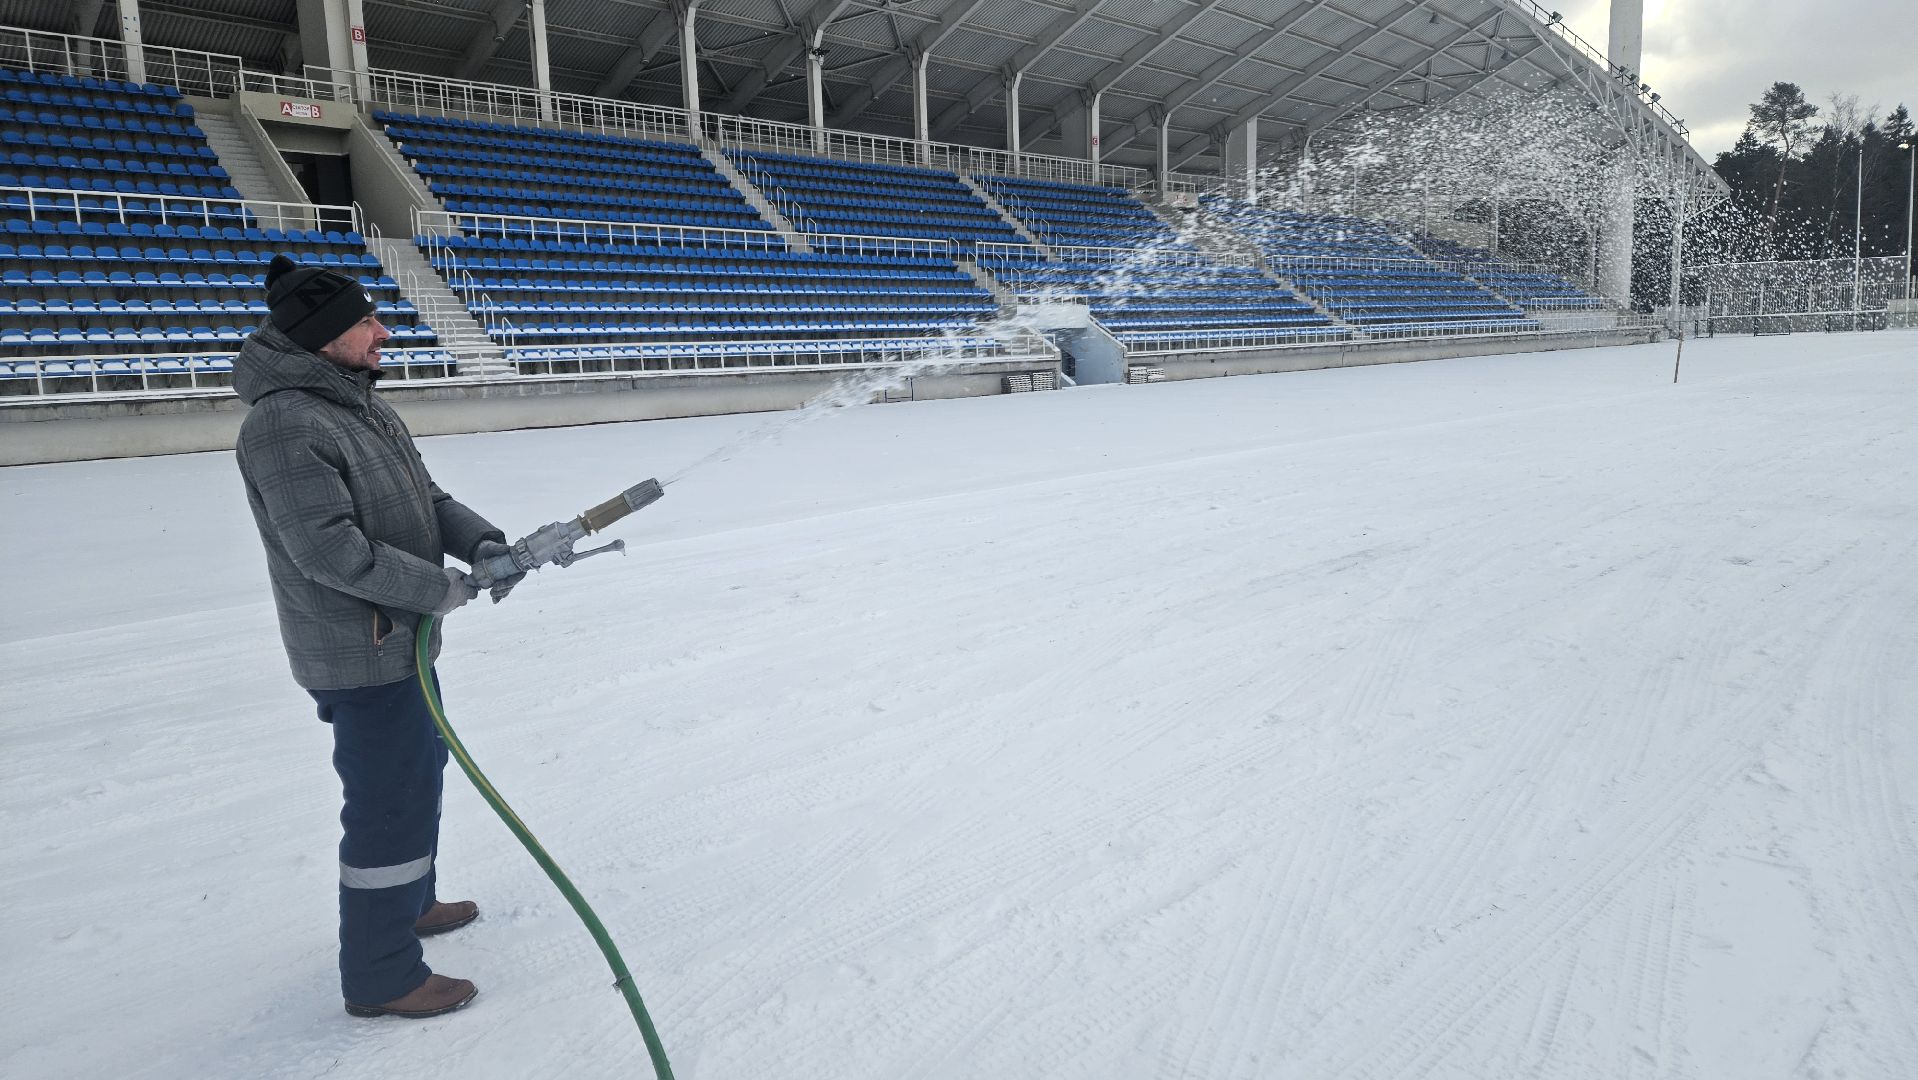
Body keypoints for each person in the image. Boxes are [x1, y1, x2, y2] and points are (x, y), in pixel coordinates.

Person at [233, 255, 524, 1019]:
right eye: (366, 321)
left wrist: (481, 544)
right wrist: (443, 589)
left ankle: (413, 901)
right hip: (358, 650)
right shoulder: (284, 424)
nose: (382, 331)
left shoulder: (356, 403)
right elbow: (332, 551)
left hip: (399, 640)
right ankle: (383, 973)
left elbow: (424, 497)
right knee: (389, 803)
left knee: (419, 773)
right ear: (325, 337)